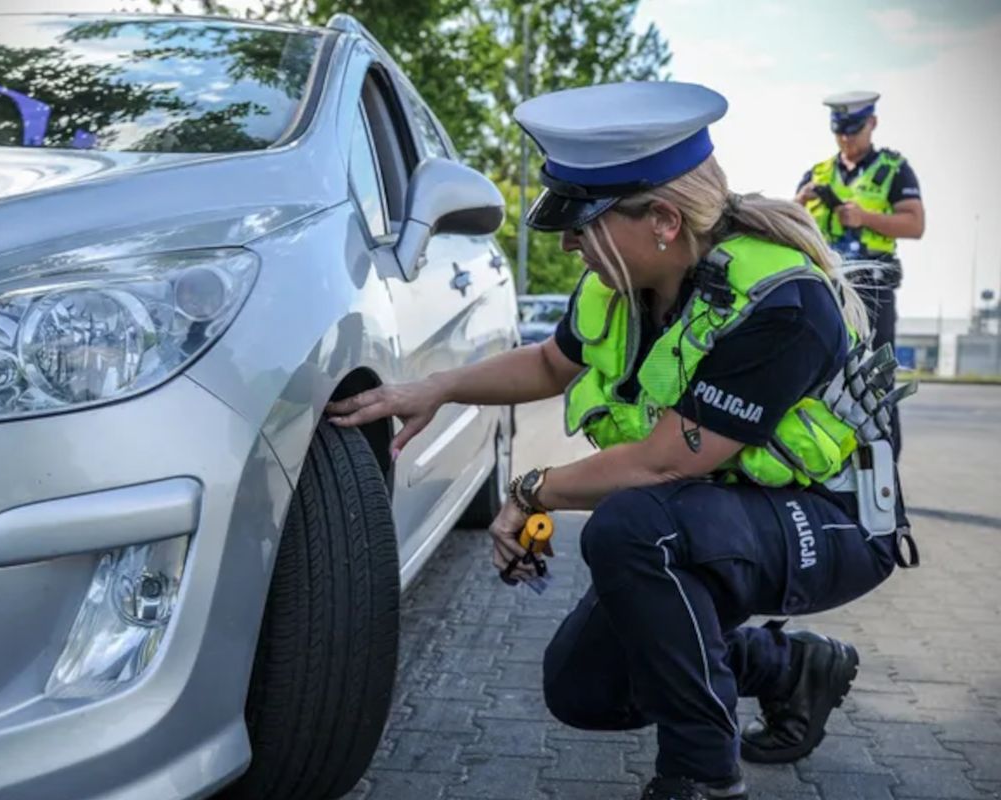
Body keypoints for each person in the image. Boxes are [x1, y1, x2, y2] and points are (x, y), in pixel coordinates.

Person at [327, 81, 916, 800]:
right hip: (720, 509)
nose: (571, 243)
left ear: (664, 220)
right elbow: (551, 362)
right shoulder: (622, 283)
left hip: (834, 520)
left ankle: (700, 774)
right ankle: (785, 668)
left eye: (583, 224)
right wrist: (438, 388)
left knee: (633, 528)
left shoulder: (783, 302)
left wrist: (531, 492)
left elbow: (667, 460)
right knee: (582, 687)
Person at [797, 91, 925, 451]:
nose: (845, 138)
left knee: (874, 377)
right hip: (827, 286)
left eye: (853, 130)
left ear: (872, 123)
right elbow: (789, 223)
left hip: (872, 289)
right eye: (839, 131)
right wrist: (800, 202)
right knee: (821, 373)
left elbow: (915, 223)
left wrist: (864, 217)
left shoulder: (893, 170)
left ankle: (884, 462)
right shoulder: (818, 173)